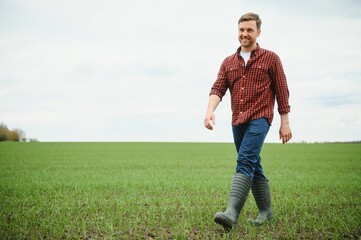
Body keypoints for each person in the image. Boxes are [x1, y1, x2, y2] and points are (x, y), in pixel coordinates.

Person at [204, 12, 292, 231]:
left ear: (258, 32)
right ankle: (266, 213)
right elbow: (218, 88)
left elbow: (282, 90)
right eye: (241, 30)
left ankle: (231, 214)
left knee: (244, 160)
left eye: (249, 30)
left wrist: (285, 121)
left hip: (260, 118)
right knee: (253, 164)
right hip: (238, 120)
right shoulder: (228, 62)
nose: (245, 34)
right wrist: (209, 111)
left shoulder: (271, 58)